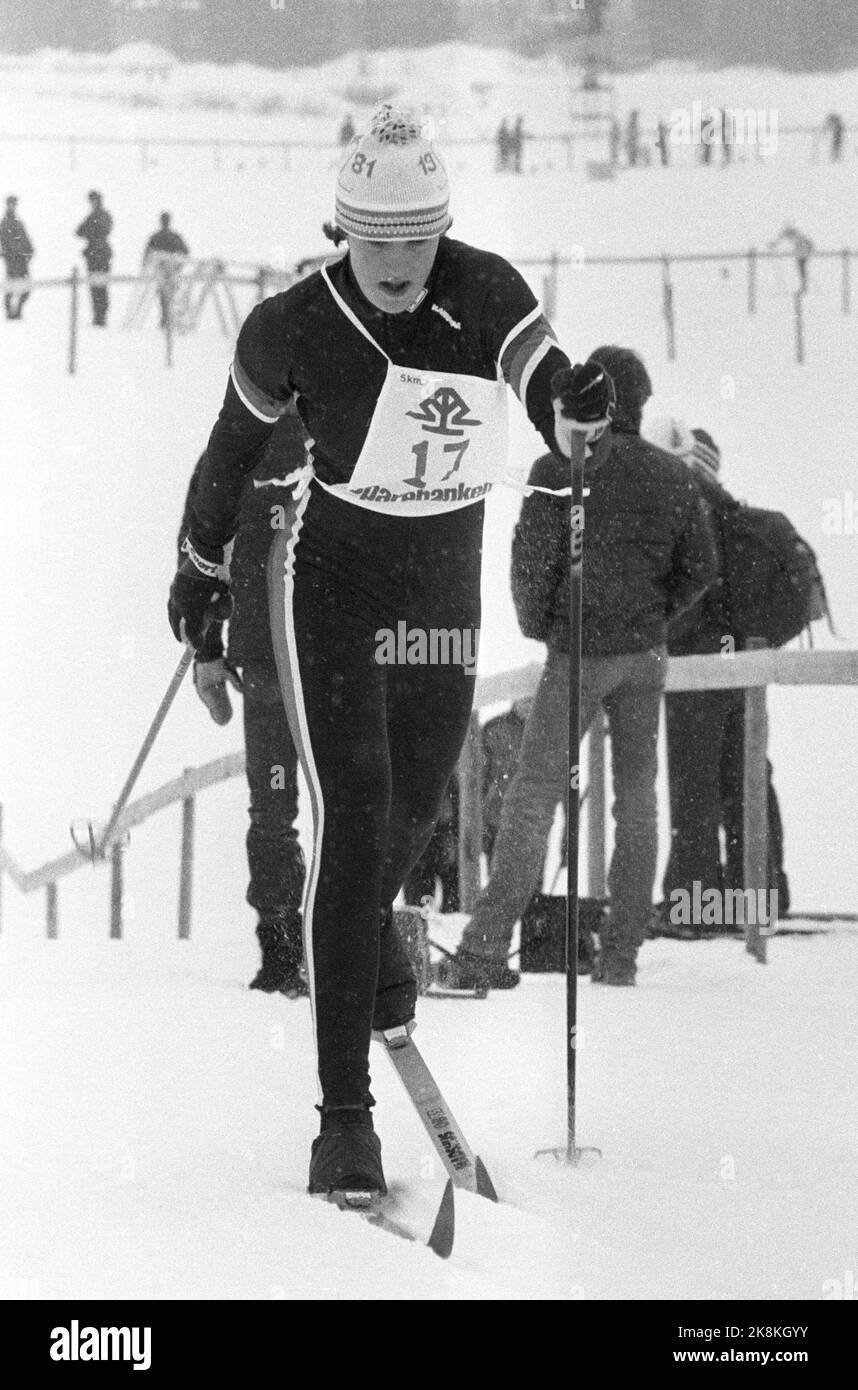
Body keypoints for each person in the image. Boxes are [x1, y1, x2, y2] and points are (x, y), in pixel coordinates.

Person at [166, 103, 611, 1198]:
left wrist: (575, 405)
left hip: (443, 597)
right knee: (355, 818)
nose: (402, 267)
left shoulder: (487, 289)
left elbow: (541, 376)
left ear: (444, 233)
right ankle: (343, 1120)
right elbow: (229, 454)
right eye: (379, 243)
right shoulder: (288, 327)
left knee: (415, 818)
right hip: (333, 591)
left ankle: (377, 949)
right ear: (343, 231)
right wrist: (197, 575)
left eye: (420, 242)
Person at [439, 348, 717, 990]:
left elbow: (530, 568)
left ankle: (485, 947)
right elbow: (699, 568)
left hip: (578, 655)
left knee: (532, 799)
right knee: (638, 806)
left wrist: (548, 625)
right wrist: (652, 617)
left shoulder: (556, 471)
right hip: (645, 659)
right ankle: (619, 959)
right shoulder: (672, 476)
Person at [644, 421, 790, 934]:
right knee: (746, 777)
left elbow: (690, 593)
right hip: (742, 667)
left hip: (696, 668)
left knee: (694, 785)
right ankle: (761, 895)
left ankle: (696, 904)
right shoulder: (730, 512)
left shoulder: (683, 509)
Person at [178, 408, 306, 994]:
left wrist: (207, 648)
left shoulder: (230, 452)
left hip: (271, 659)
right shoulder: (351, 428)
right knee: (353, 801)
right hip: (336, 657)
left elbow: (197, 562)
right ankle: (345, 940)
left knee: (274, 805)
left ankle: (283, 948)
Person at [402, 773, 459, 912]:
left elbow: (450, 812)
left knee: (446, 903)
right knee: (422, 902)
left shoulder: (445, 776)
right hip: (423, 845)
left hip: (433, 843)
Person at [144, 212, 190, 328]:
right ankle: (168, 320)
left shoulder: (157, 237)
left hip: (166, 272)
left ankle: (167, 320)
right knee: (169, 297)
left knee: (166, 297)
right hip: (169, 272)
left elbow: (147, 254)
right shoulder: (173, 237)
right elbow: (185, 252)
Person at [76, 190, 113, 326]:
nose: (92, 203)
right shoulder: (96, 216)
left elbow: (87, 231)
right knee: (96, 287)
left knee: (100, 287)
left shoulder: (98, 216)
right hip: (96, 255)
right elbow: (79, 231)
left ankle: (100, 316)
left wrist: (91, 231)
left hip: (99, 254)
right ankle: (99, 316)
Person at [0, 195, 34, 320]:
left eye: (14, 204)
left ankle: (17, 311)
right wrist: (8, 254)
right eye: (10, 204)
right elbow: (6, 242)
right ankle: (10, 313)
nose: (12, 206)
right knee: (11, 287)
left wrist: (29, 252)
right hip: (12, 260)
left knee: (26, 288)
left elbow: (26, 240)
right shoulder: (4, 223)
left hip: (22, 260)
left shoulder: (18, 223)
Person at [769, 223, 814, 294]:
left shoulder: (797, 235)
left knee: (802, 270)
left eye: (789, 233)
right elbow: (780, 239)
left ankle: (804, 287)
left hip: (803, 253)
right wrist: (774, 244)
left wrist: (808, 251)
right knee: (801, 270)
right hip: (799, 254)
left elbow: (808, 243)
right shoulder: (791, 234)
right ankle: (803, 286)